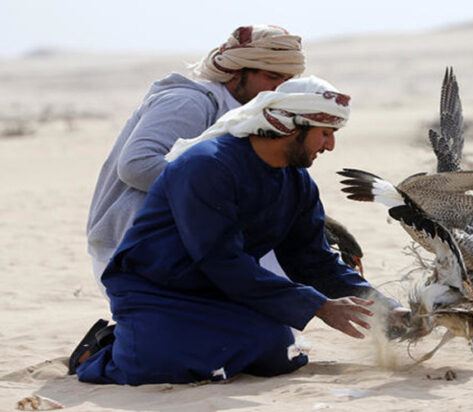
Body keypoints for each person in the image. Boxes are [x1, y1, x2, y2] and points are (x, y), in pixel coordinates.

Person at [70, 76, 406, 385]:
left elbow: (314, 261)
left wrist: (384, 307)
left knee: (277, 352)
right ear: (290, 126)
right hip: (155, 288)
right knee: (159, 367)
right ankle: (104, 348)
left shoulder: (298, 183)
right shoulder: (207, 165)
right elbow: (219, 259)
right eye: (324, 133)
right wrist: (319, 306)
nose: (330, 145)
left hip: (219, 289)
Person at [86, 25, 304, 296]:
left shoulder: (245, 115)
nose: (278, 89)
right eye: (272, 77)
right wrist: (226, 195)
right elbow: (137, 165)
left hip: (195, 244)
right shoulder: (188, 101)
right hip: (134, 251)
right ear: (237, 72)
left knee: (282, 304)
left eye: (287, 81)